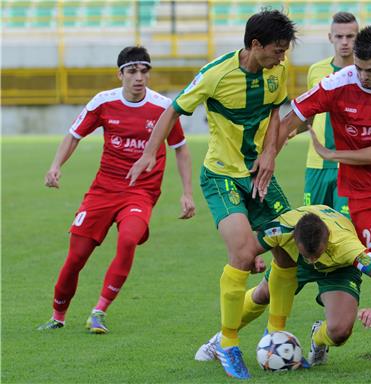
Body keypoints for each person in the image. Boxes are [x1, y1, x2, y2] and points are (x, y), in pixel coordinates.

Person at [126, 9, 297, 379]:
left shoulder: (278, 71)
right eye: (277, 51)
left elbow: (275, 113)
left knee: (289, 248)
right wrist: (146, 154)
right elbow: (172, 112)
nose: (282, 58)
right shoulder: (215, 75)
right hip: (221, 176)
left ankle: (275, 331)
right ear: (255, 45)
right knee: (242, 254)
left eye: (285, 51)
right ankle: (228, 342)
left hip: (259, 174)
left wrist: (270, 153)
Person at [277, 26, 371, 375]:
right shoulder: (338, 83)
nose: (364, 76)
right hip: (363, 195)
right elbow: (294, 117)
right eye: (360, 69)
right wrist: (269, 154)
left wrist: (334, 154)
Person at [37, 46, 195, 334]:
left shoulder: (163, 108)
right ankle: (57, 315)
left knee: (128, 239)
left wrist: (187, 193)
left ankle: (99, 311)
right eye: (132, 71)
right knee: (76, 257)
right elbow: (74, 136)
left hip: (140, 192)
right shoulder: (103, 102)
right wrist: (55, 165)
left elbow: (180, 149)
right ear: (120, 74)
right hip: (103, 190)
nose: (139, 77)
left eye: (144, 71)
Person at [194, 205, 371, 366]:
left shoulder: (347, 247)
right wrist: (252, 258)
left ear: (326, 242)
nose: (311, 261)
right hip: (295, 262)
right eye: (307, 255)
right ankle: (220, 339)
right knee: (262, 294)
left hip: (338, 268)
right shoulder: (282, 228)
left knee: (339, 332)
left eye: (315, 256)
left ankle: (317, 338)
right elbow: (246, 249)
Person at [301, 12, 358, 217]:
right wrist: (287, 132)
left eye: (350, 36)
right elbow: (309, 113)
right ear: (330, 37)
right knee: (312, 229)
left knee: (346, 229)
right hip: (316, 163)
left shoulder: (367, 72)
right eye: (339, 36)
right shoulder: (316, 70)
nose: (345, 42)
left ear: (358, 38)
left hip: (351, 164)